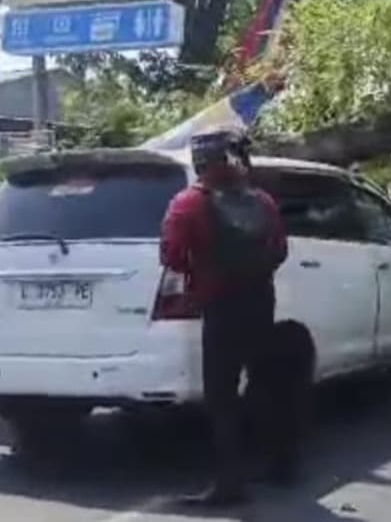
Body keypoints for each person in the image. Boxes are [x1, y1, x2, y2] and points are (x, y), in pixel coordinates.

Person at [160, 129, 290, 507]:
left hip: (220, 306)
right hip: (261, 301)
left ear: (201, 163)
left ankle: (229, 484)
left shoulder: (187, 204)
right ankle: (281, 463)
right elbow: (280, 249)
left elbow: (171, 255)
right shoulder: (263, 201)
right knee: (265, 384)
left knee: (222, 397)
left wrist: (204, 273)